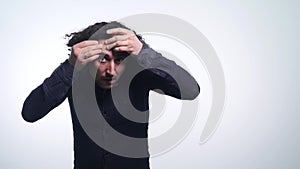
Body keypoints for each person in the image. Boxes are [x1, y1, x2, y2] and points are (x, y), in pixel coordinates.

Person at [21, 21, 200, 169]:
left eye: (120, 60)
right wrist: (70, 66)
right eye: (102, 59)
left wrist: (144, 51)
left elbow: (191, 90)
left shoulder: (139, 75)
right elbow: (30, 112)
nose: (111, 71)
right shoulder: (74, 76)